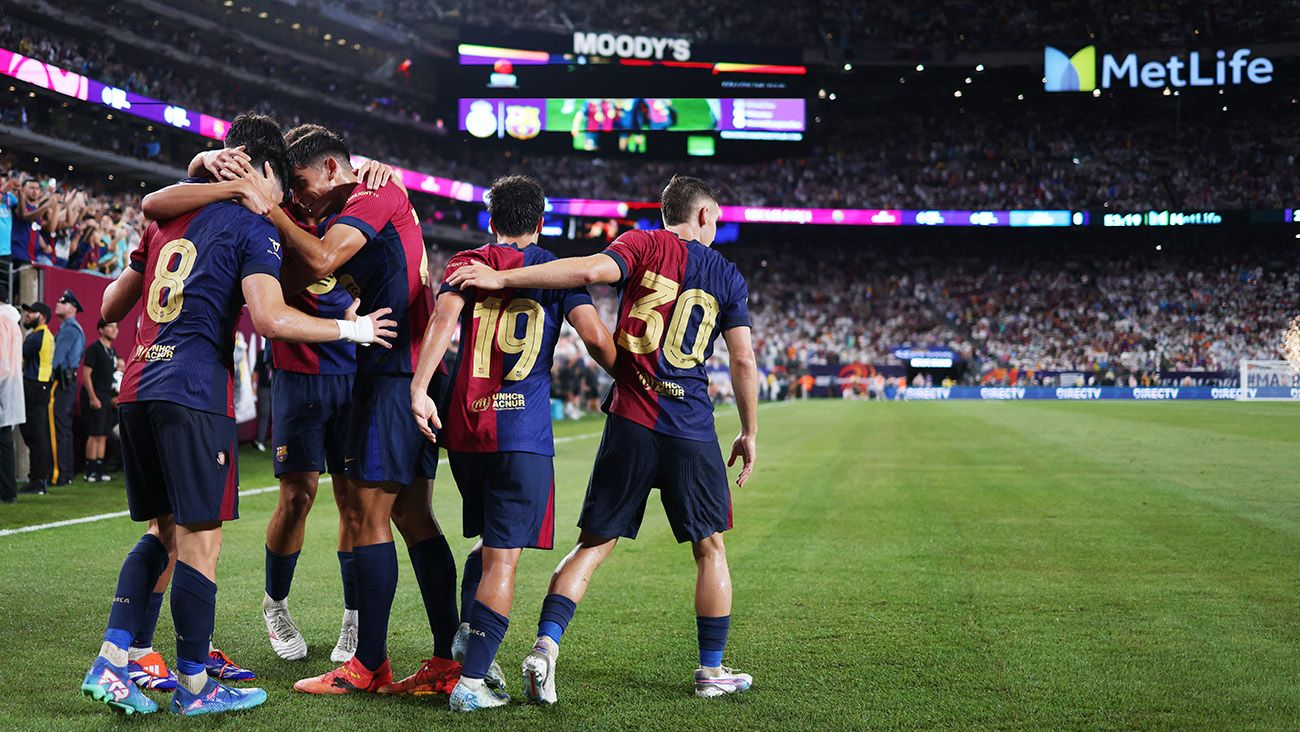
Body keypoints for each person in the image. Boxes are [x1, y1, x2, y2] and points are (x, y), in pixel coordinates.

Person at [77, 113, 397, 717]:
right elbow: (271, 319)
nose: (290, 201)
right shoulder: (254, 221)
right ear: (268, 171)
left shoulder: (172, 212)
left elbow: (111, 306)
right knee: (200, 539)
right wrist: (350, 327)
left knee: (162, 531)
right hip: (193, 390)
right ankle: (197, 685)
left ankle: (117, 659)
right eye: (289, 186)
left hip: (140, 382)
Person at [447, 175, 759, 701]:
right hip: (690, 425)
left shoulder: (640, 242)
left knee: (592, 546)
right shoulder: (728, 274)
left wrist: (503, 279)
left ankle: (544, 647)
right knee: (711, 549)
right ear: (704, 216)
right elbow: (743, 358)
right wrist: (749, 431)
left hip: (631, 418)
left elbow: (590, 270)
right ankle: (711, 671)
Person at [140, 133, 404, 666]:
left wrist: (375, 165)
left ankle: (352, 621)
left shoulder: (352, 199)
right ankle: (276, 603)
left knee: (355, 503)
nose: (303, 196)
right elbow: (189, 188)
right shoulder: (274, 200)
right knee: (297, 496)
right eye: (294, 184)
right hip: (298, 367)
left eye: (307, 182)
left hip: (354, 368)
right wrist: (201, 159)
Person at [262, 126, 461, 697]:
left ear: (330, 169)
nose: (297, 197)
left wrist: (266, 205)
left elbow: (322, 258)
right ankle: (446, 660)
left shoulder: (373, 198)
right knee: (414, 516)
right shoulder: (352, 204)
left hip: (396, 372)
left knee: (371, 516)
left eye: (300, 184)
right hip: (410, 370)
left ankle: (368, 666)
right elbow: (297, 275)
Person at [409, 175, 616, 712]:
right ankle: (472, 683)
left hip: (467, 428)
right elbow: (595, 338)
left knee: (485, 543)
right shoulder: (554, 270)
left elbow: (442, 320)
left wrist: (418, 387)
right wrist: (639, 380)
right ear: (541, 222)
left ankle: (464, 643)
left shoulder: (467, 262)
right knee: (504, 558)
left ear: (490, 219)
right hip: (521, 431)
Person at [18, 300, 53, 494]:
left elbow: (18, 356)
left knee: (34, 434)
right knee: (37, 434)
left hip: (33, 387)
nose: (28, 315)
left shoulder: (37, 336)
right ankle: (39, 479)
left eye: (32, 312)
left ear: (43, 316)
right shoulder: (46, 335)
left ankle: (38, 480)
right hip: (41, 387)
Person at [51, 289, 85, 486]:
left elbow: (56, 361)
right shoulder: (73, 328)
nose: (58, 304)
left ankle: (61, 473)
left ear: (72, 308)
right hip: (69, 381)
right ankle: (66, 473)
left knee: (60, 427)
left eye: (62, 302)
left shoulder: (69, 329)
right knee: (64, 427)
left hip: (62, 382)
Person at [81, 318, 118, 482]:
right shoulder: (94, 349)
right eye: (110, 326)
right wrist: (92, 397)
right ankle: (90, 470)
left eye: (116, 327)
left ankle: (100, 468)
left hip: (106, 397)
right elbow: (86, 374)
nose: (114, 330)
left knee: (103, 434)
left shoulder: (112, 352)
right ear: (101, 329)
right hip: (95, 395)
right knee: (94, 433)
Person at [0, 283, 24, 503]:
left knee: (3, 440)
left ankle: (7, 491)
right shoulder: (12, 320)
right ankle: (7, 490)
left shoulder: (1, 319)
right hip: (11, 383)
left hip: (2, 382)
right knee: (5, 438)